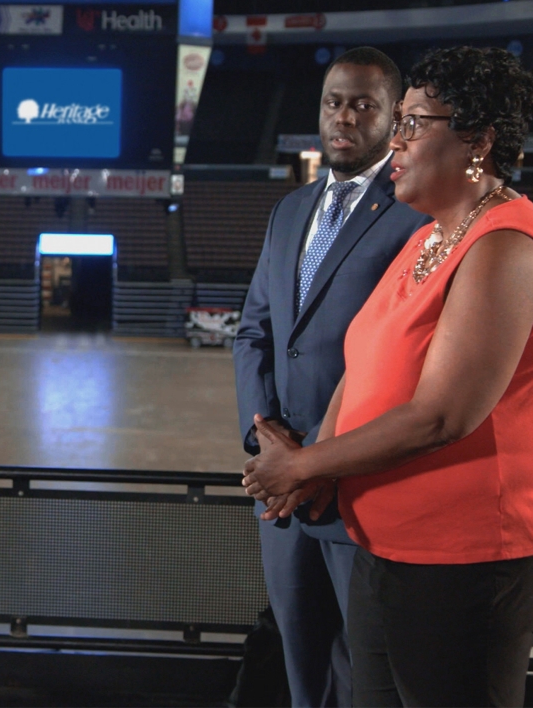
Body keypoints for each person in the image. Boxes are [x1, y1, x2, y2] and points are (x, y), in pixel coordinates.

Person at [243, 46, 533, 707]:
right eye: (397, 121)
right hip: (392, 545)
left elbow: (442, 415)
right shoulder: (433, 234)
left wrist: (308, 461)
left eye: (413, 123)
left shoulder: (505, 247)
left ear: (477, 141)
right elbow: (361, 362)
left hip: (474, 554)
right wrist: (322, 468)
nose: (393, 141)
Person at [232, 47, 427, 707]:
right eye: (333, 102)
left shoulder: (416, 216)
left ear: (394, 118)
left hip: (358, 491)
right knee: (301, 663)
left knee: (368, 674)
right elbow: (254, 332)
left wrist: (317, 459)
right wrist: (267, 443)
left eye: (363, 105)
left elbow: (407, 360)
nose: (343, 117)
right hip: (284, 495)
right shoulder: (289, 211)